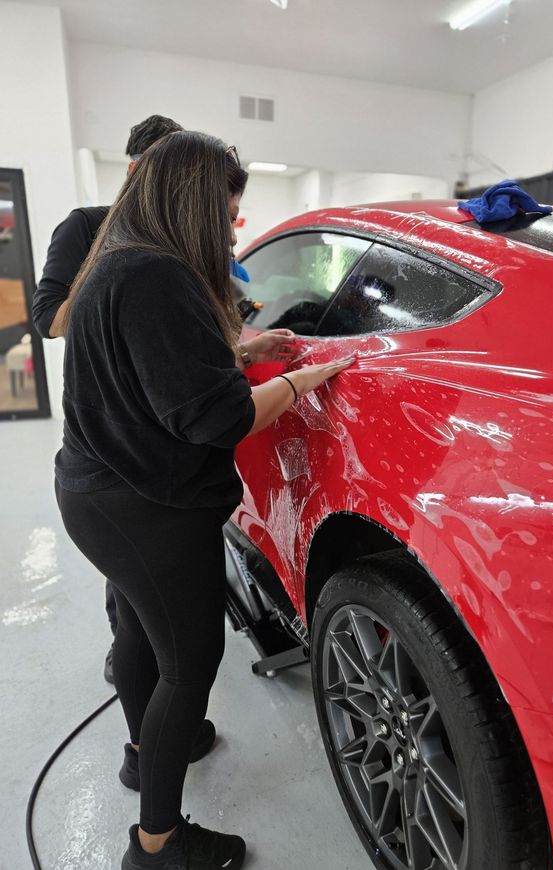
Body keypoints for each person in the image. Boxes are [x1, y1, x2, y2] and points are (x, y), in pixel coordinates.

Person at [54, 130, 353, 870]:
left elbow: (152, 371)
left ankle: (145, 751)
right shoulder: (160, 277)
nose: (231, 227)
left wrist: (239, 352)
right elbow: (215, 418)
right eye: (226, 212)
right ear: (194, 203)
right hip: (146, 505)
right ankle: (157, 844)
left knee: (136, 631)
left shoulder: (119, 263)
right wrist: (302, 382)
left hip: (97, 491)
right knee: (188, 664)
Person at [33, 115, 184, 682]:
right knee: (127, 574)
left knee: (165, 572)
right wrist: (115, 287)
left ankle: (156, 671)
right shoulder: (87, 228)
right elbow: (49, 318)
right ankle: (133, 674)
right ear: (135, 169)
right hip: (109, 422)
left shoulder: (178, 240)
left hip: (168, 421)